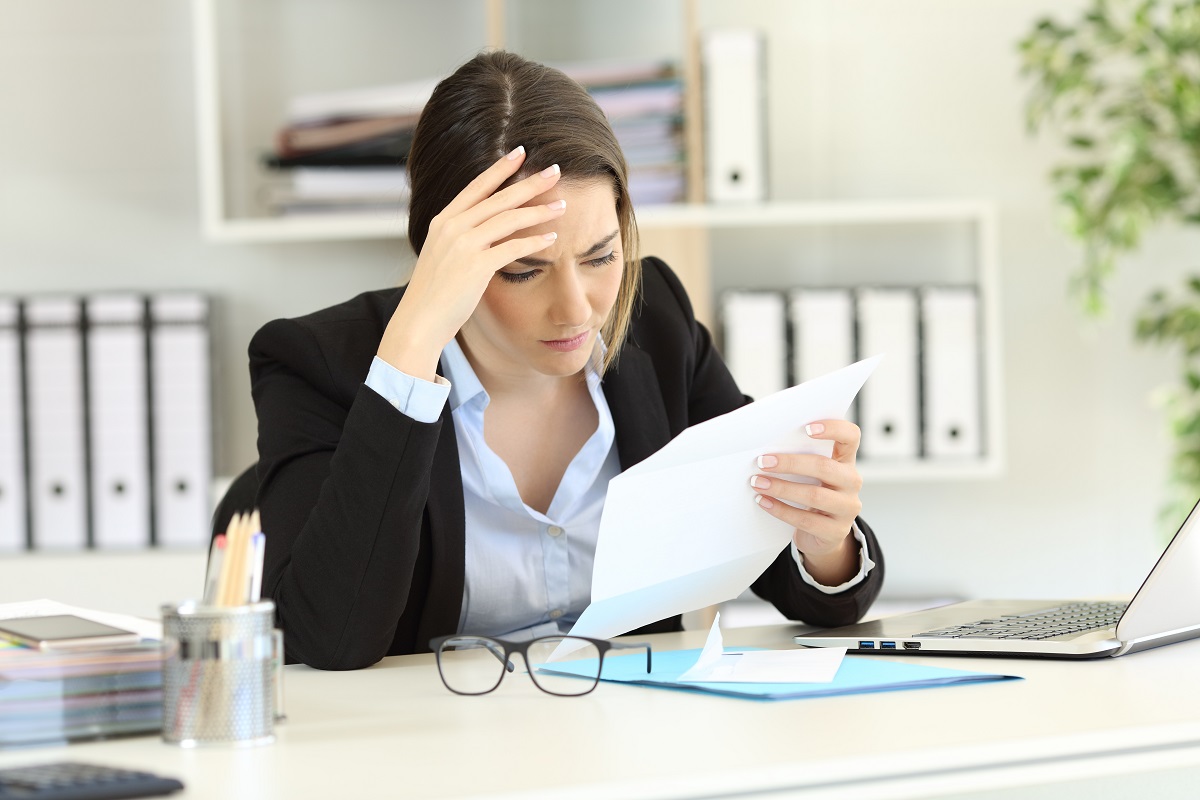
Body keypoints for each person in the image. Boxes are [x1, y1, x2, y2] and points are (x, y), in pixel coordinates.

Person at [248, 50, 884, 671]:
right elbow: (328, 639)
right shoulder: (318, 364)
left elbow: (805, 587)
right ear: (444, 257)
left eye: (601, 257)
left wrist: (824, 541)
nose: (577, 309)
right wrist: (413, 345)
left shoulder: (655, 322)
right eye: (524, 271)